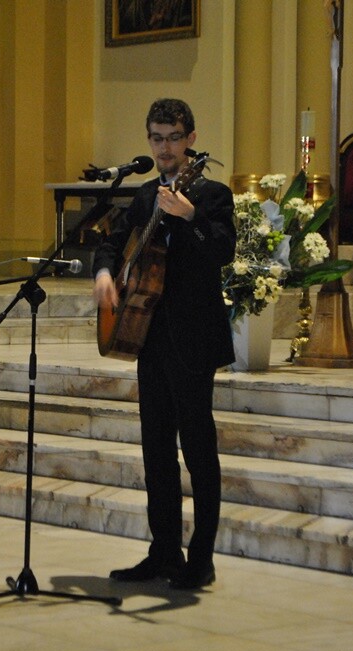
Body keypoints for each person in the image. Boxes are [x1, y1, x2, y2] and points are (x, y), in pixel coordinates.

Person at [92, 98, 236, 590]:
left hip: (194, 340)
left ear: (191, 139)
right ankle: (164, 553)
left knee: (198, 451)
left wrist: (191, 216)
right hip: (148, 337)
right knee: (156, 452)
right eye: (157, 138)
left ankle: (202, 560)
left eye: (174, 137)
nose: (165, 147)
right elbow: (111, 243)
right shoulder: (144, 196)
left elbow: (223, 250)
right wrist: (105, 274)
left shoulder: (212, 194)